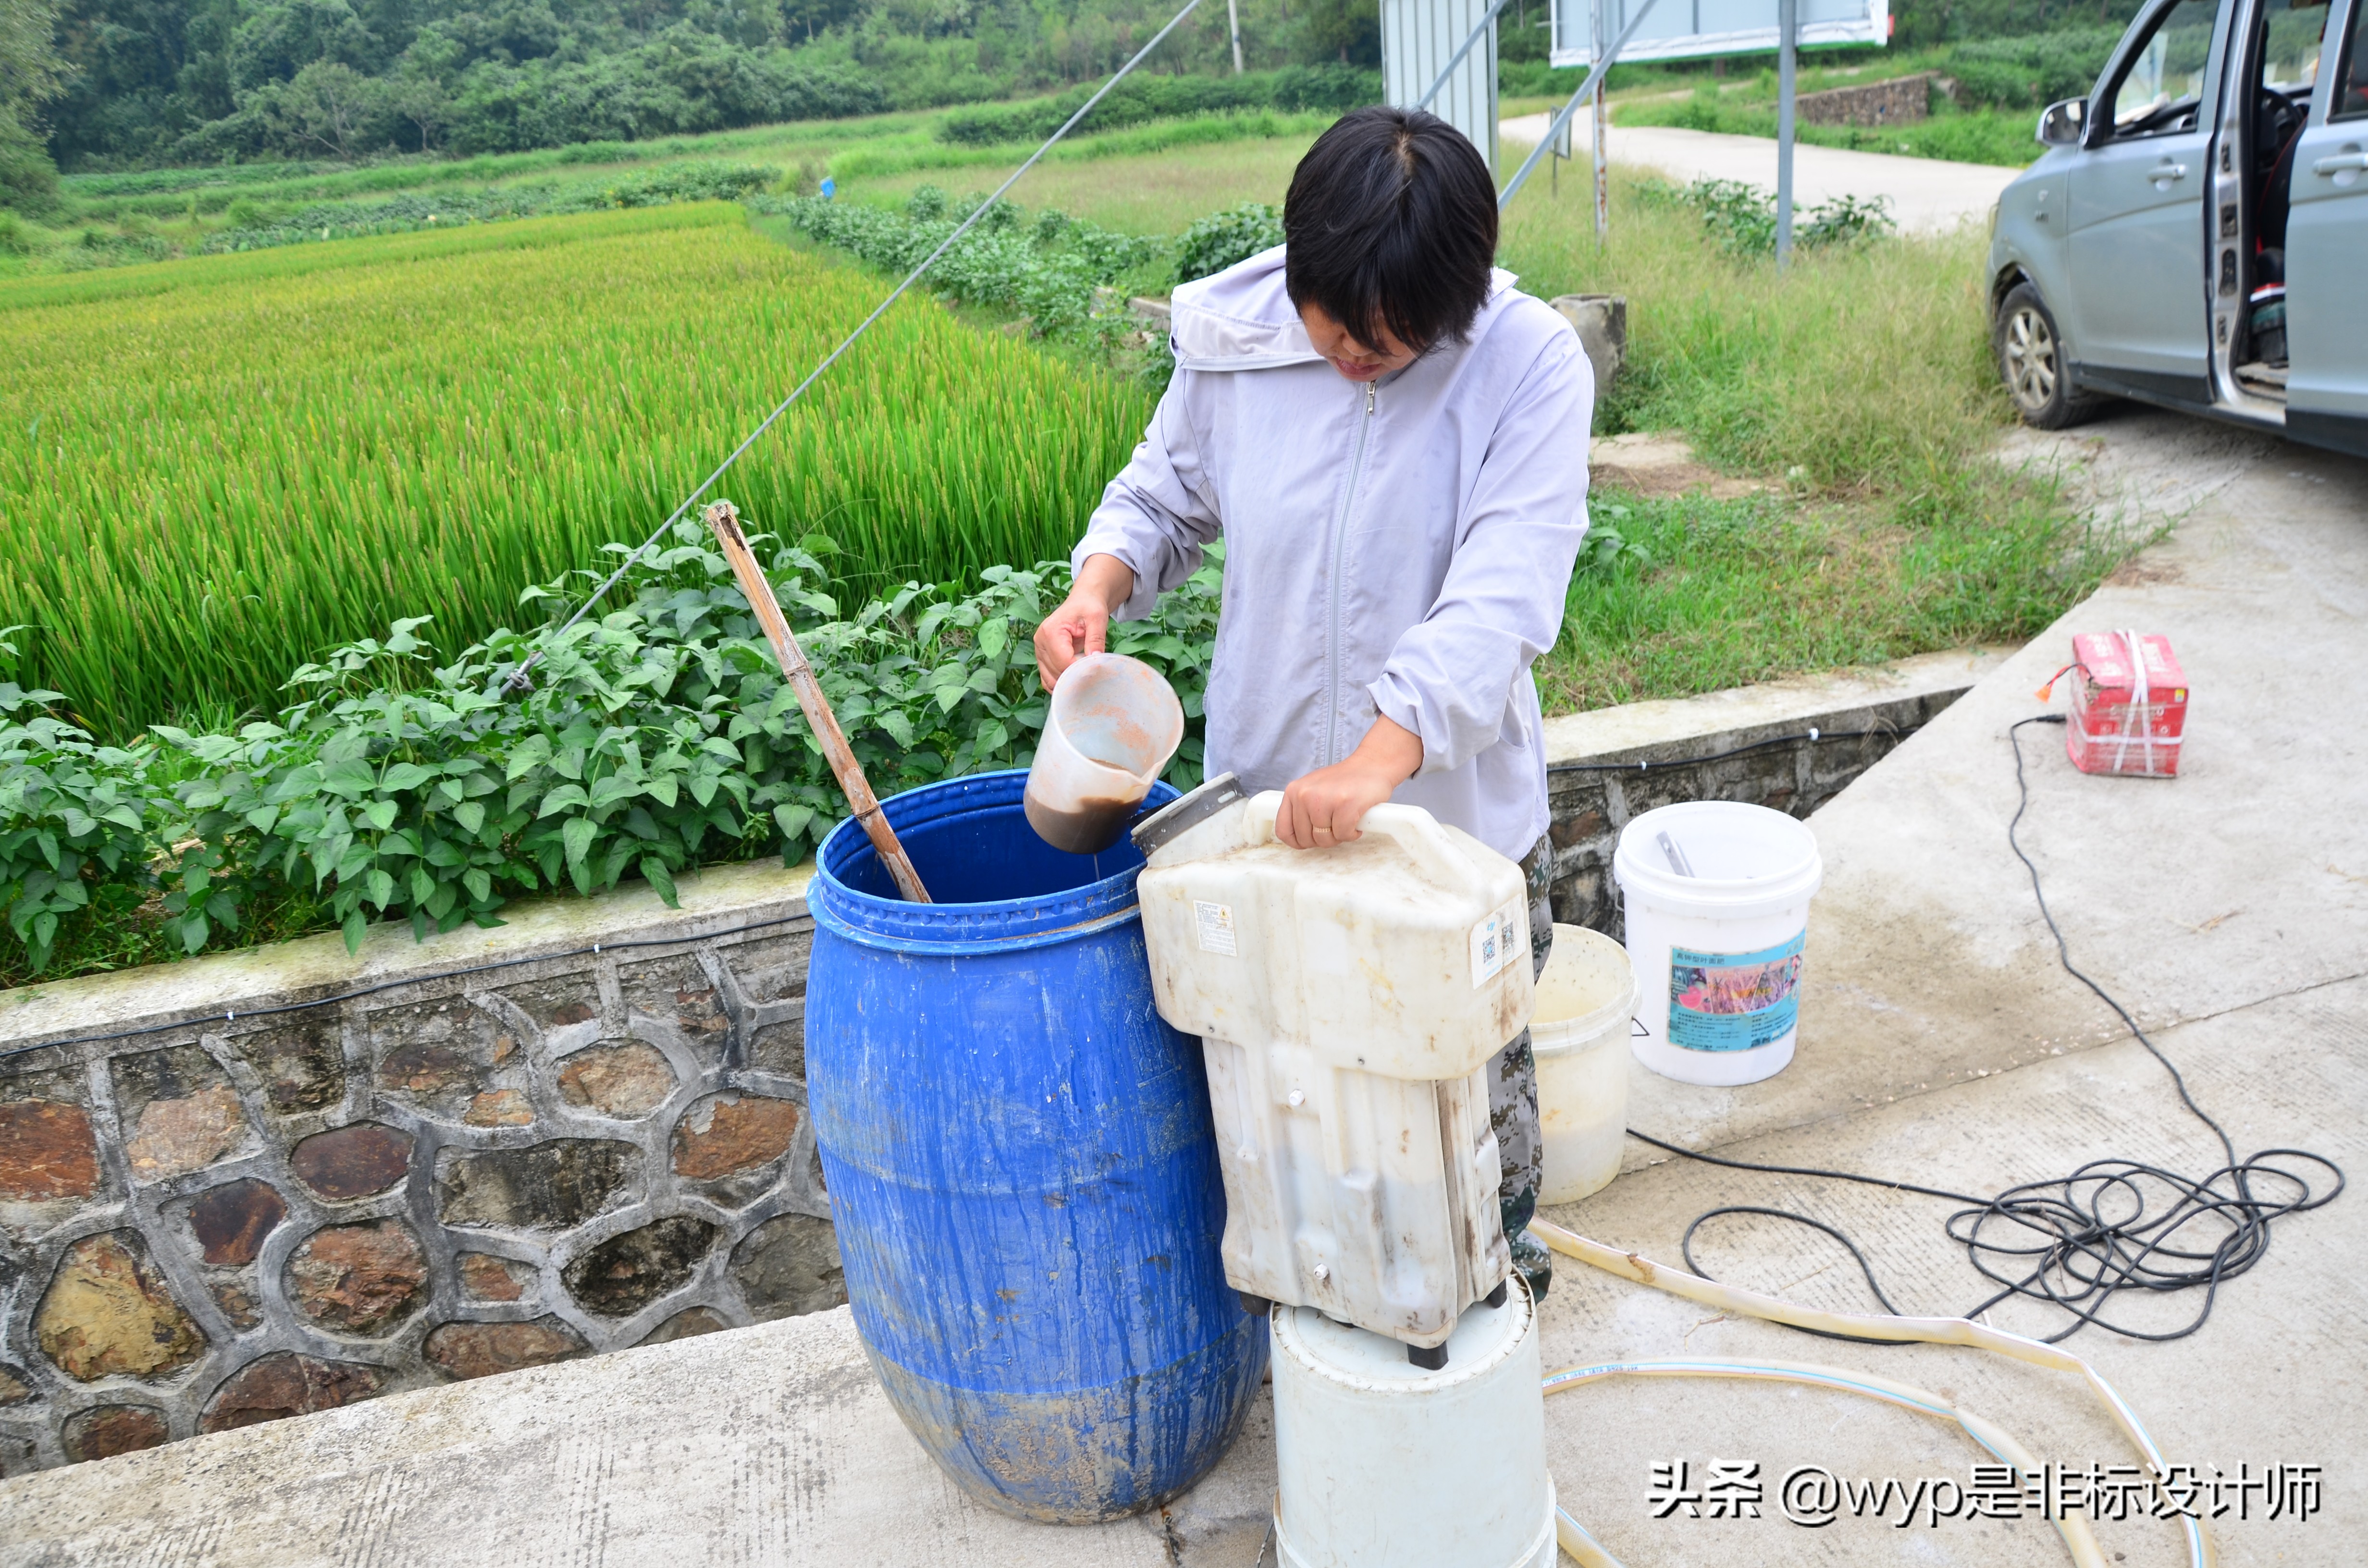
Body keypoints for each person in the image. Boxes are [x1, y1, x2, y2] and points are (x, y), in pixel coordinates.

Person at [1032, 106, 1593, 1298]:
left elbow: (1504, 592)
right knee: (1295, 1097)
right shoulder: (1234, 345)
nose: (1359, 358)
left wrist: (1380, 759)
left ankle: (1486, 1317)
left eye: (1395, 346)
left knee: (1458, 1103)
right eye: (1340, 330)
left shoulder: (1526, 364)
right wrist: (1100, 584)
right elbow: (1163, 495)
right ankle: (1328, 1308)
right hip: (1268, 813)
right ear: (1299, 270)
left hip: (1449, 826)